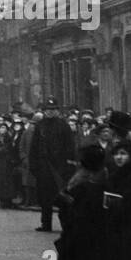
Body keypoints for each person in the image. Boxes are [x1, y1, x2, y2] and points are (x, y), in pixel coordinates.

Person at [54, 145, 109, 260]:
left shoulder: (78, 179)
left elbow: (64, 203)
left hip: (77, 234)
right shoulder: (105, 177)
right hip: (100, 234)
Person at [30, 97, 77, 232]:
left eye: (53, 109)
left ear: (57, 110)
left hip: (60, 169)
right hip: (44, 168)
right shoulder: (40, 126)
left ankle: (66, 225)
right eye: (47, 110)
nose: (50, 112)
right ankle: (46, 224)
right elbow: (34, 147)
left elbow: (70, 148)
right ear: (44, 111)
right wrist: (34, 167)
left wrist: (68, 168)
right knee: (45, 198)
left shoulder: (64, 126)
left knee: (62, 198)